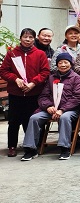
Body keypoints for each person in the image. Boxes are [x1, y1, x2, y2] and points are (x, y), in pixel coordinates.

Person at [19, 53, 80, 161]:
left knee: (64, 118)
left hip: (68, 110)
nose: (63, 65)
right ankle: (30, 149)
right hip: (51, 109)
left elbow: (77, 97)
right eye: (60, 63)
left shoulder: (76, 78)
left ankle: (64, 148)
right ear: (57, 65)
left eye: (66, 62)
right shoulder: (51, 77)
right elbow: (43, 96)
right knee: (34, 118)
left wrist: (62, 110)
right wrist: (48, 106)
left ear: (71, 64)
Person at [0, 28, 51, 158]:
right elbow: (4, 71)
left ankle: (32, 144)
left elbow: (45, 72)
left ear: (35, 39)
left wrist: (33, 83)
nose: (28, 40)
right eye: (25, 37)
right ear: (20, 38)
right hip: (16, 93)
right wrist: (15, 79)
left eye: (30, 37)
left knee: (31, 120)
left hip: (34, 93)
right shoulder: (12, 53)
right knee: (13, 121)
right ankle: (12, 146)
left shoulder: (40, 54)